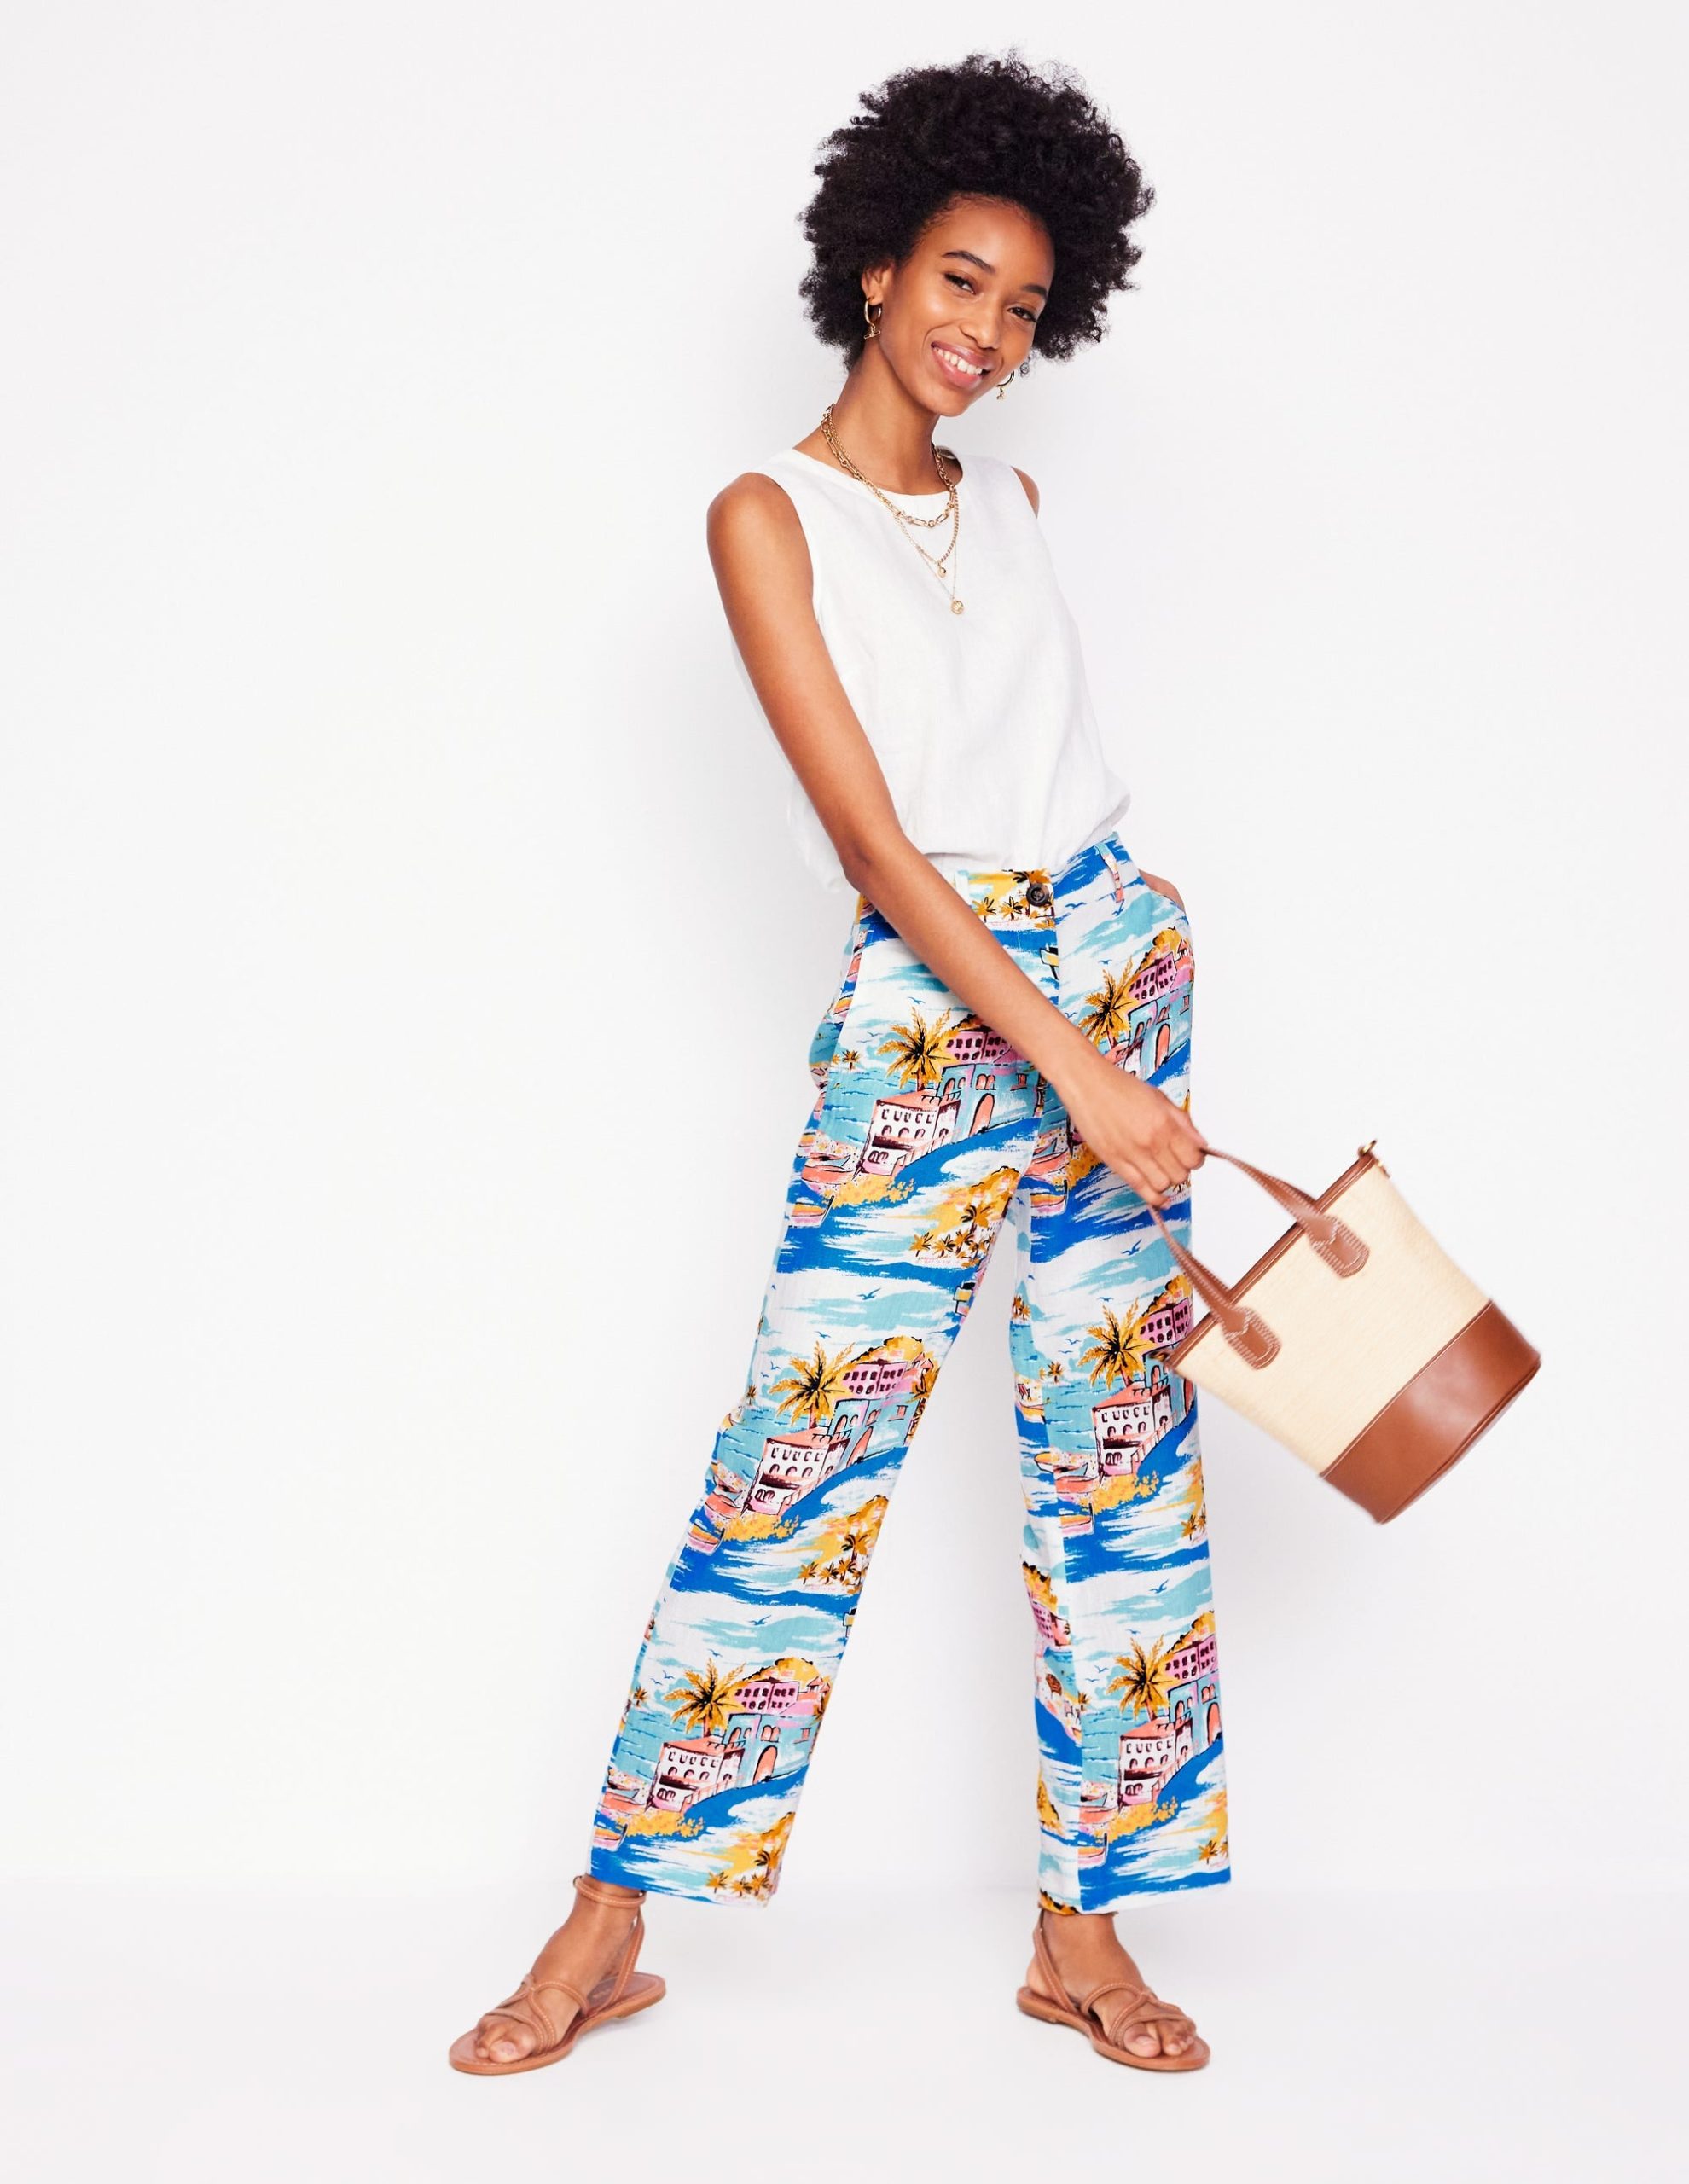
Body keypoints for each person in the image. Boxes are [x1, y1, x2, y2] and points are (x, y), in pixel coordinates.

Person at [450, 50, 1226, 2079]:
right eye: (961, 281)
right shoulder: (765, 513)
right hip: (943, 1006)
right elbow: (879, 841)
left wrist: (1126, 982)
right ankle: (609, 1916)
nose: (987, 333)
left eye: (1026, 307)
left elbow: (1043, 767)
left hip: (1111, 963)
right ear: (877, 266)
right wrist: (1074, 1069)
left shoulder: (1019, 506)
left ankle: (1084, 1928)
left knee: (1119, 1464)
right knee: (794, 1471)